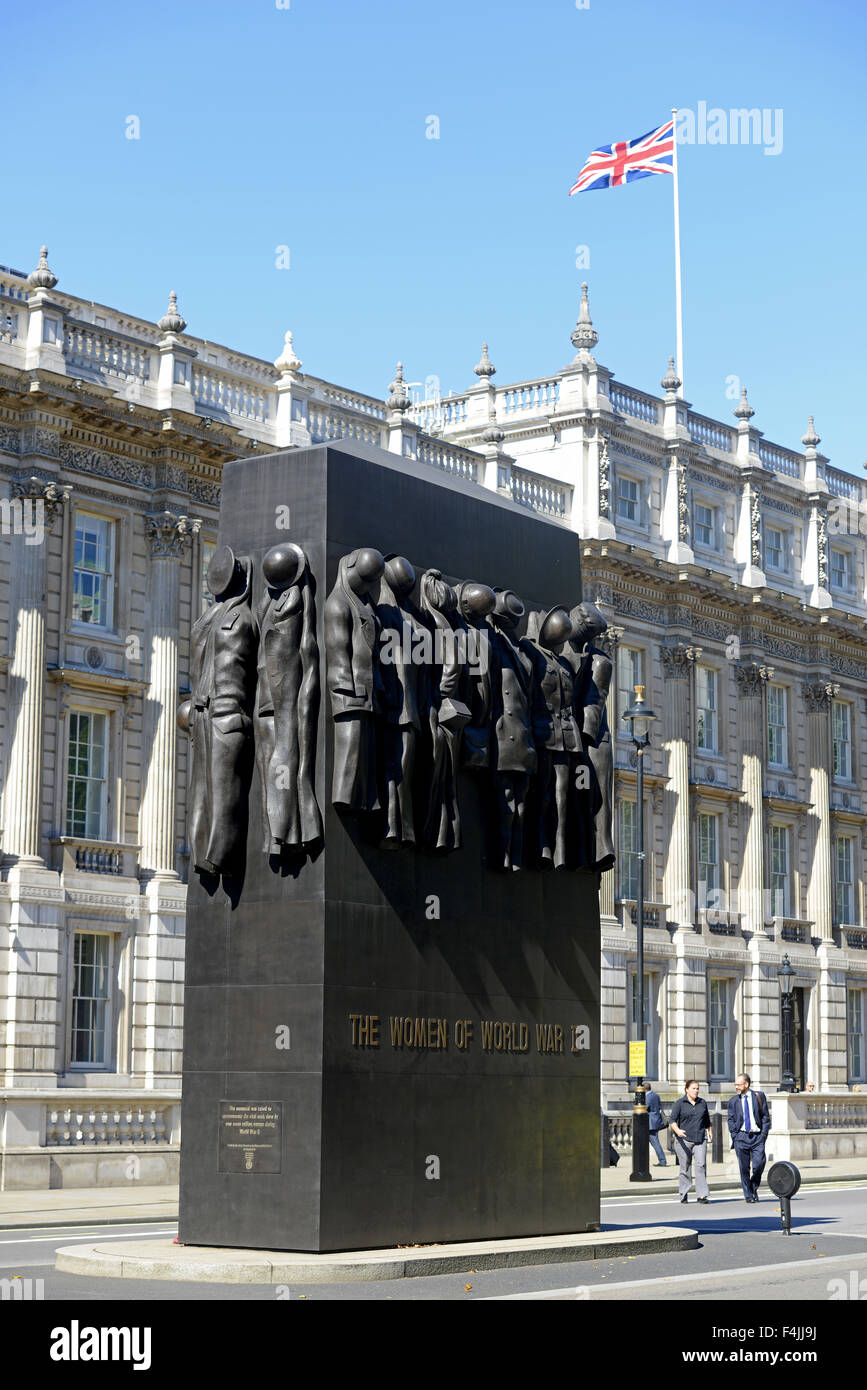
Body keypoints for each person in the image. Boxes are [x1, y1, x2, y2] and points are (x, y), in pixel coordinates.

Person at [727, 1073, 771, 1203]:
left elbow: (765, 1117)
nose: (736, 1087)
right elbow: (730, 1120)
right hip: (741, 1137)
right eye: (735, 1085)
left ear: (746, 1084)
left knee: (759, 1164)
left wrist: (763, 1134)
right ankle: (748, 1195)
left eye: (738, 1084)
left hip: (757, 1137)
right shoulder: (733, 1101)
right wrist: (734, 1136)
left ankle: (753, 1187)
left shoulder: (759, 1096)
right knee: (744, 1168)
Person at [669, 1079, 711, 1203]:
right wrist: (678, 1131)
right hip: (684, 1140)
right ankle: (684, 1193)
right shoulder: (679, 1103)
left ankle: (702, 1195)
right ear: (687, 1089)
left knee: (701, 1166)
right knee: (685, 1167)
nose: (696, 1091)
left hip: (699, 1139)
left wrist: (710, 1134)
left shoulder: (702, 1103)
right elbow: (672, 1121)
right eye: (693, 1088)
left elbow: (707, 1121)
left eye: (697, 1088)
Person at [643, 1083, 668, 1167]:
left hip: (650, 1123)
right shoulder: (656, 1095)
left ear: (644, 1089)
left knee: (655, 1143)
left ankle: (662, 1161)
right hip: (655, 1121)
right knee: (652, 1142)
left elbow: (645, 1108)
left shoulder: (648, 1097)